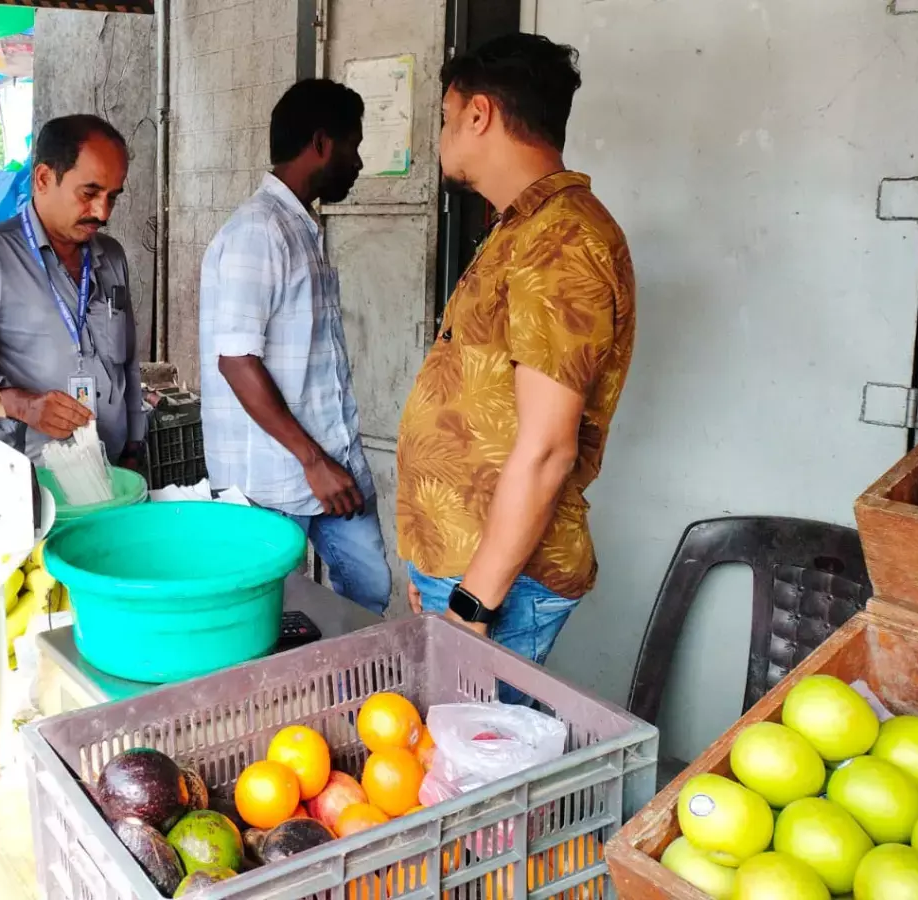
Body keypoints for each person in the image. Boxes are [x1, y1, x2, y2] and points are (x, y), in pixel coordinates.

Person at [397, 34, 636, 693]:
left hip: (494, 579)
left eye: (447, 117)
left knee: (473, 771)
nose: (444, 134)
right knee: (448, 751)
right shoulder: (521, 229)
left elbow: (547, 447)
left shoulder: (562, 240)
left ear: (478, 114)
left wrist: (473, 602)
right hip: (463, 564)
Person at [198, 79, 392, 616]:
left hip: (331, 463)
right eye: (353, 145)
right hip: (275, 482)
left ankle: (357, 698)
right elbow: (236, 360)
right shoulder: (259, 231)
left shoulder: (300, 227)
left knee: (368, 596)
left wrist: (330, 461)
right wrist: (313, 461)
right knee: (273, 622)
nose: (358, 161)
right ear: (322, 143)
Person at [0, 115, 146, 468]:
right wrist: (24, 405)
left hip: (109, 470)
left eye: (112, 197)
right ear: (43, 178)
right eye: (89, 193)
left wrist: (133, 446)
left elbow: (127, 365)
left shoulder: (111, 257)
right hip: (23, 479)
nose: (102, 212)